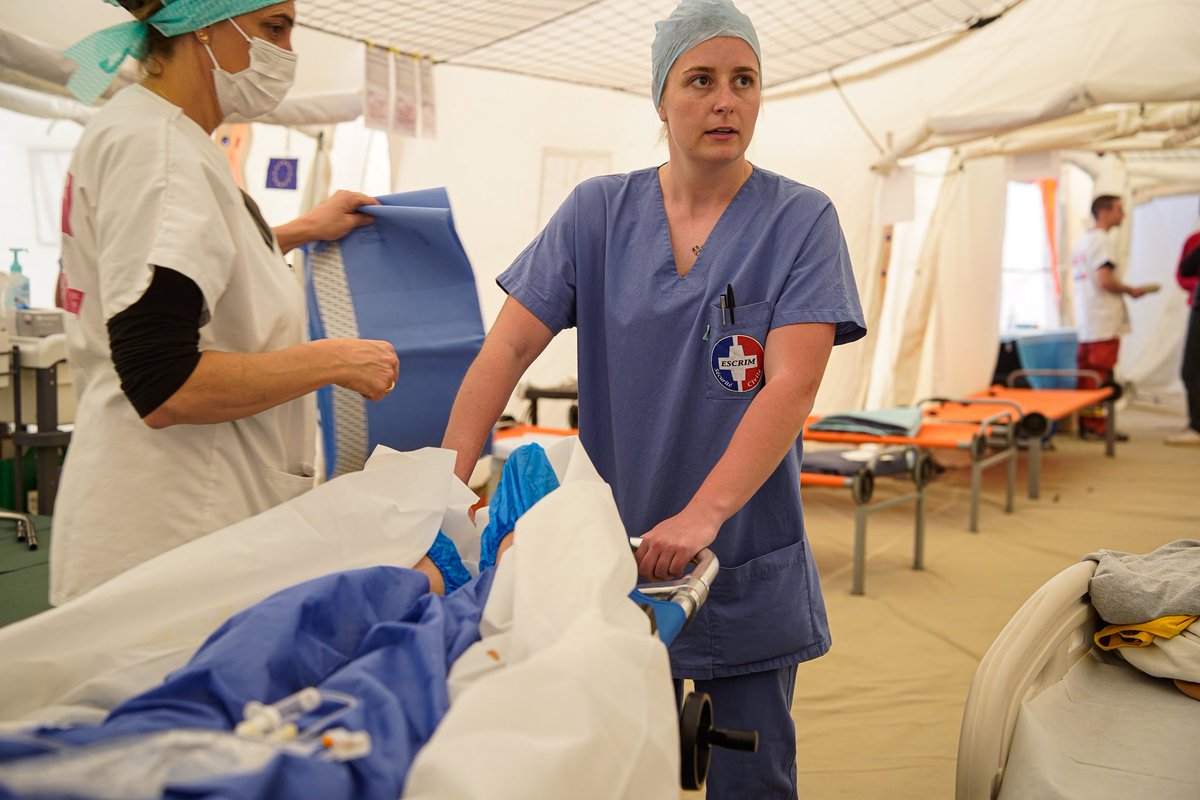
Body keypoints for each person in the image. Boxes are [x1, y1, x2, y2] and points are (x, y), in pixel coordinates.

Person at [441, 1, 865, 795]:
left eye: (744, 80)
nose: (725, 100)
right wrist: (443, 483)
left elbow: (794, 383)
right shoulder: (597, 213)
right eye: (699, 80)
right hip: (615, 557)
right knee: (611, 767)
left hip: (740, 555)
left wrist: (703, 515)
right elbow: (505, 348)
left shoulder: (802, 220)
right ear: (661, 99)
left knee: (752, 777)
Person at [51, 0, 399, 605]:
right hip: (173, 533)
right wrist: (333, 361)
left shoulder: (147, 131)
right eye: (273, 28)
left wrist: (297, 231)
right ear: (201, 23)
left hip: (168, 521)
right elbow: (165, 383)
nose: (286, 54)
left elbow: (190, 272)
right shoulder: (162, 152)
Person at [1069, 194, 1151, 440]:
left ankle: (1088, 421)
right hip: (1102, 319)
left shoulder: (1082, 243)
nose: (1123, 215)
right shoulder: (1102, 242)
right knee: (1100, 376)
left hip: (1088, 318)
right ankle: (1096, 425)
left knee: (1088, 375)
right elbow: (1105, 280)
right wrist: (1130, 290)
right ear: (1104, 212)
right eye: (1119, 210)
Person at [1166, 222, 1200, 446]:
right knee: (1192, 369)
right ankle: (1196, 423)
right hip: (1198, 305)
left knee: (1193, 368)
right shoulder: (1194, 240)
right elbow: (1184, 272)